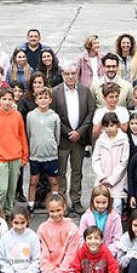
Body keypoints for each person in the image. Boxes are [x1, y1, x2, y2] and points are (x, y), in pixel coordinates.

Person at [52, 65, 95, 215]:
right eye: (67, 74)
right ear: (62, 75)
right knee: (61, 172)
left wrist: (80, 132)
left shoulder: (85, 91)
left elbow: (90, 113)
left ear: (77, 74)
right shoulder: (55, 92)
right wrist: (69, 132)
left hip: (79, 140)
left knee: (77, 171)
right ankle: (62, 202)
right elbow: (54, 115)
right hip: (63, 139)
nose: (70, 76)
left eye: (73, 73)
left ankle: (76, 200)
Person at [0, 88, 29, 214]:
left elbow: (22, 136)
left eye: (10, 99)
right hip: (0, 159)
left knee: (11, 189)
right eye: (4, 99)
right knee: (1, 189)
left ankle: (8, 213)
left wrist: (25, 156)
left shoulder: (17, 115)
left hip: (16, 158)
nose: (7, 102)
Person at [38, 192, 81, 273]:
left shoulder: (72, 229)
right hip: (48, 267)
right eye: (52, 211)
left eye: (58, 210)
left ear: (64, 207)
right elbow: (43, 254)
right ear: (47, 210)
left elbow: (70, 256)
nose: (55, 214)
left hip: (64, 269)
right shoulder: (43, 228)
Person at [0, 204, 41, 273]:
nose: (19, 226)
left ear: (28, 221)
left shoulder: (33, 237)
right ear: (10, 222)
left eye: (23, 223)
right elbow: (1, 260)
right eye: (16, 223)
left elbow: (37, 260)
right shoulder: (5, 238)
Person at [25, 89, 61, 210]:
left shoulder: (54, 116)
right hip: (35, 155)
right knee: (34, 180)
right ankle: (31, 204)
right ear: (36, 100)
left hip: (51, 155)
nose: (43, 100)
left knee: (54, 181)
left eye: (46, 97)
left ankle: (55, 204)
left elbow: (57, 135)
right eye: (40, 98)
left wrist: (53, 147)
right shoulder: (31, 116)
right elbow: (29, 133)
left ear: (50, 100)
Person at [92, 114, 130, 212]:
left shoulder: (124, 139)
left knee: (116, 207)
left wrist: (112, 179)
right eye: (106, 126)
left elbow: (124, 161)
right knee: (101, 207)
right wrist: (102, 177)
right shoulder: (100, 140)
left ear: (117, 124)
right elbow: (96, 159)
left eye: (111, 125)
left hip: (117, 181)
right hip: (102, 180)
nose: (109, 129)